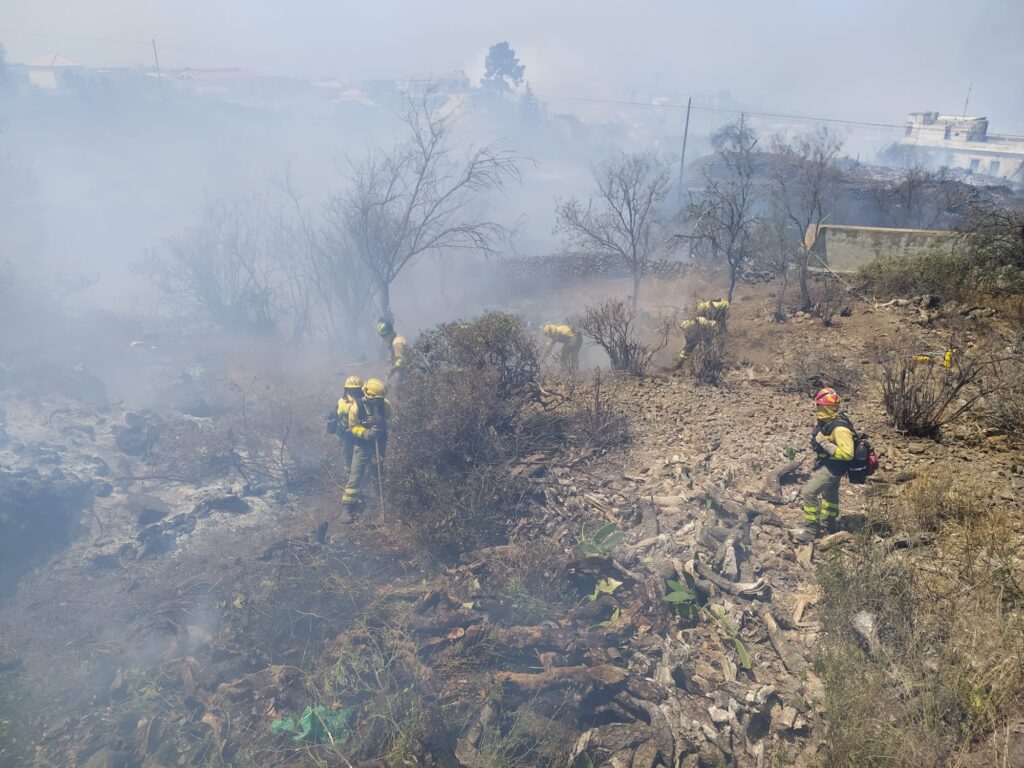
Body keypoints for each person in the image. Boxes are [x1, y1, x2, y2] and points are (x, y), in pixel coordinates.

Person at [792, 387, 857, 542]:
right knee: (829, 494)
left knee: (809, 492)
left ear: (826, 407)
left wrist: (824, 443)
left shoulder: (840, 428)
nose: (817, 409)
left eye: (819, 406)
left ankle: (810, 530)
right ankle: (829, 524)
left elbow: (848, 454)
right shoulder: (831, 421)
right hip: (834, 466)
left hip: (834, 468)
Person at [342, 377, 391, 512]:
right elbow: (353, 427)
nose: (378, 402)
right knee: (355, 475)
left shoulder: (385, 405)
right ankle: (347, 508)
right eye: (376, 399)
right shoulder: (356, 407)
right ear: (368, 395)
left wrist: (383, 425)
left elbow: (392, 420)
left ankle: (380, 502)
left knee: (378, 472)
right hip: (362, 446)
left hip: (379, 444)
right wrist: (367, 433)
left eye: (380, 399)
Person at [377, 319, 409, 396]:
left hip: (406, 375)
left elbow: (401, 361)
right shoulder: (394, 340)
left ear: (391, 332)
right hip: (403, 374)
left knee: (401, 394)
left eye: (385, 335)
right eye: (382, 336)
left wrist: (392, 369)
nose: (384, 338)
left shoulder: (397, 343)